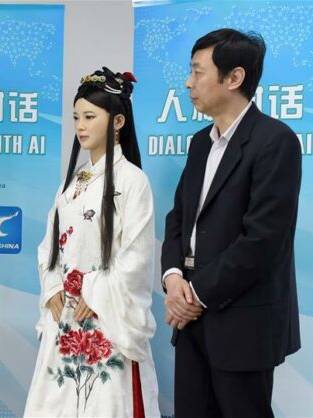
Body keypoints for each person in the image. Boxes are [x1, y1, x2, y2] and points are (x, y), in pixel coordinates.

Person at [161, 28, 301, 418]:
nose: (188, 83)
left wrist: (194, 296)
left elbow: (261, 241)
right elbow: (179, 219)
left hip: (243, 321)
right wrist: (173, 277)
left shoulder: (276, 141)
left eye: (197, 72)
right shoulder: (199, 143)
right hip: (190, 318)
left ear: (234, 77)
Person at [25, 67, 160, 417]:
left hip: (106, 317)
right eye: (75, 117)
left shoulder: (133, 181)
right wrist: (53, 286)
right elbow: (49, 245)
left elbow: (137, 257)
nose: (80, 126)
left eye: (89, 116)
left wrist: (95, 290)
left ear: (117, 122)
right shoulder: (73, 182)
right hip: (65, 318)